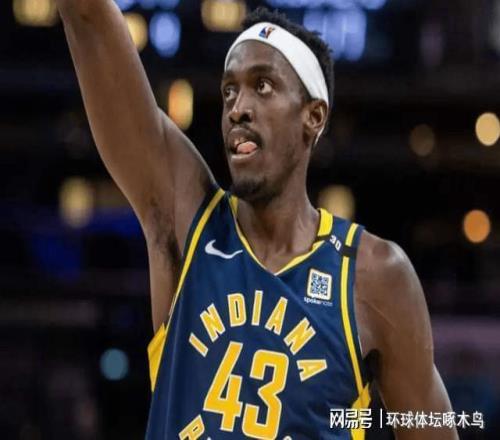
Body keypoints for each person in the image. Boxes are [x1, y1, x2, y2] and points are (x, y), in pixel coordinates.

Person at [55, 1, 458, 438]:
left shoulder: (374, 274)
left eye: (262, 86)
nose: (238, 108)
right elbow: (88, 17)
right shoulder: (188, 220)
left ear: (313, 116)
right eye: (230, 90)